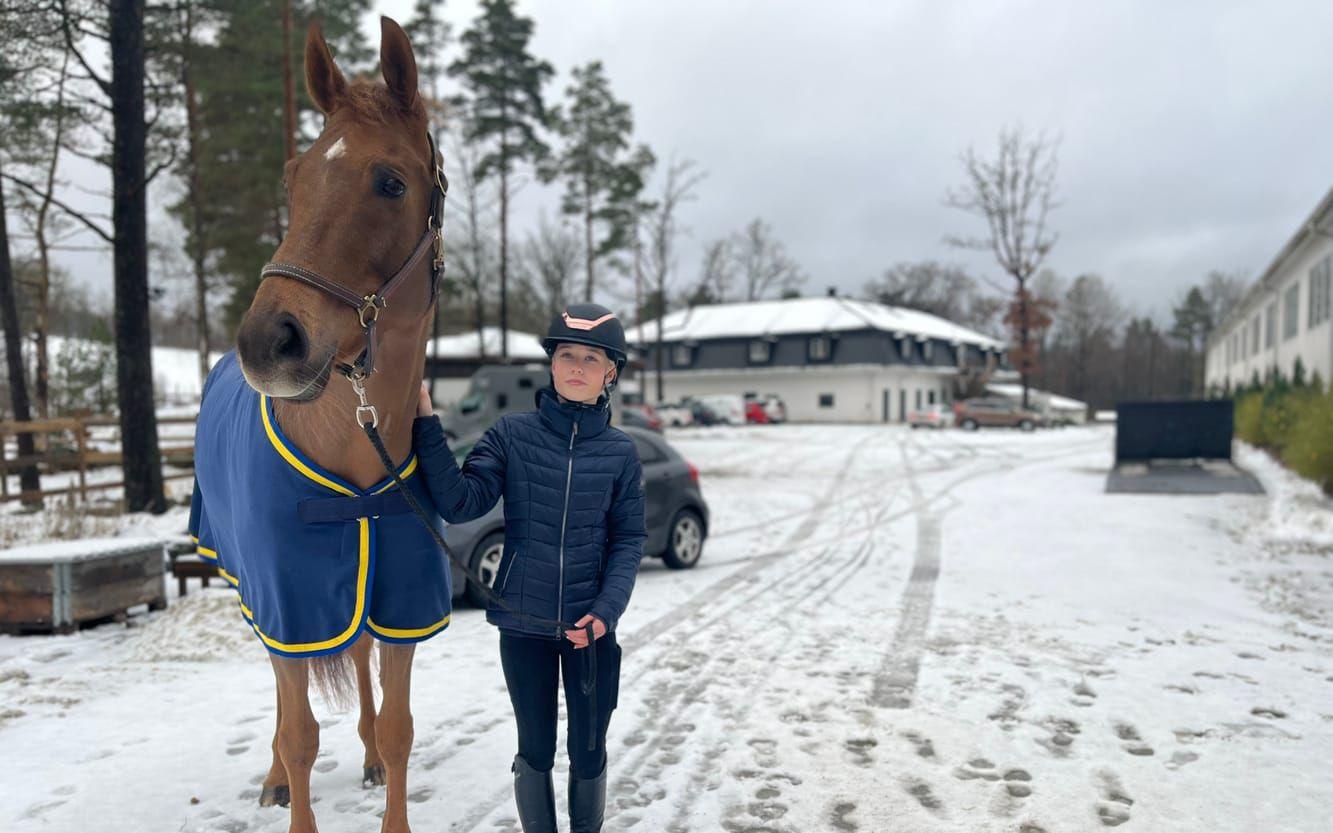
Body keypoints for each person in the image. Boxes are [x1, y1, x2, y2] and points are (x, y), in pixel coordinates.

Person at [411, 303, 646, 833]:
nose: (578, 367)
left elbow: (630, 539)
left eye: (591, 357)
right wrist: (427, 422)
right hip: (525, 626)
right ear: (551, 364)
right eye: (567, 354)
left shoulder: (621, 453)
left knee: (589, 753)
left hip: (591, 630)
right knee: (534, 751)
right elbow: (461, 503)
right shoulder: (511, 435)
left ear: (611, 372)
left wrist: (606, 613)